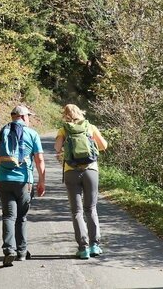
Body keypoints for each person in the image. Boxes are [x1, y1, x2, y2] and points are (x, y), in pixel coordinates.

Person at [0, 105, 46, 267]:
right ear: (22, 116)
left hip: (4, 180)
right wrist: (42, 180)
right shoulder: (32, 133)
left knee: (8, 216)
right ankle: (21, 252)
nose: (30, 119)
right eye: (28, 116)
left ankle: (9, 250)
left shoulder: (0, 132)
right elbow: (39, 160)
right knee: (21, 217)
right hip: (24, 182)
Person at [55, 103, 108, 259]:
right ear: (80, 112)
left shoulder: (64, 129)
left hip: (71, 172)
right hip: (91, 170)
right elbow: (104, 145)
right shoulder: (89, 126)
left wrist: (66, 147)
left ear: (65, 115)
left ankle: (83, 248)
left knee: (77, 211)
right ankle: (95, 246)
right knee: (91, 208)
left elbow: (57, 148)